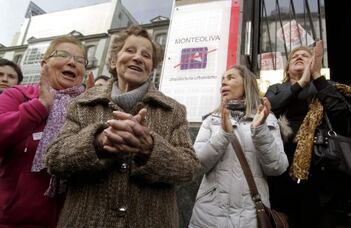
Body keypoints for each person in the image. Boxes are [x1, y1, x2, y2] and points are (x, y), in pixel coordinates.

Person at [44, 25, 200, 228]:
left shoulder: (173, 110)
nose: (138, 58)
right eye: (130, 50)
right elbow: (54, 159)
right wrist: (98, 142)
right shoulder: (82, 103)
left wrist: (150, 149)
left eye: (146, 55)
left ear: (151, 67)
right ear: (113, 60)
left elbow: (188, 168)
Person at [264, 41, 351, 228]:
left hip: (319, 161)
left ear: (313, 63)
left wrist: (315, 76)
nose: (298, 57)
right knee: (284, 214)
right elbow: (270, 107)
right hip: (283, 160)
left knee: (314, 216)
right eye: (294, 57)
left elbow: (339, 111)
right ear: (288, 68)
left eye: (305, 56)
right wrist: (301, 83)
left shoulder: (323, 86)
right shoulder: (275, 88)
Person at [0, 36, 87, 227]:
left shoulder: (86, 109)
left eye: (80, 60)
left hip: (67, 221)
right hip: (12, 220)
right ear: (44, 64)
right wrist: (40, 106)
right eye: (63, 55)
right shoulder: (17, 94)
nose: (72, 62)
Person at [189, 65, 288, 228]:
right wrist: (223, 135)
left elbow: (277, 167)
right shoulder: (211, 120)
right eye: (222, 80)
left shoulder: (266, 119)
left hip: (252, 216)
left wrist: (260, 130)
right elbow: (195, 166)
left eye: (230, 77)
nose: (223, 83)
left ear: (247, 84)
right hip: (209, 216)